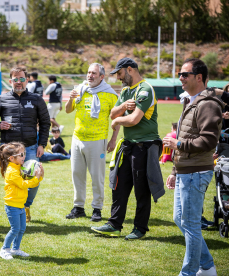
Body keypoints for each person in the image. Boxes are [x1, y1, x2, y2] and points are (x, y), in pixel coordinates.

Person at [91, 58, 164, 240]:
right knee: (119, 185)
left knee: (142, 189)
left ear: (130, 69)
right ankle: (114, 224)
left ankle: (139, 228)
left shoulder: (145, 89)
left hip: (144, 146)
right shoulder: (126, 91)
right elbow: (112, 113)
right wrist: (123, 107)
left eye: (120, 73)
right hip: (128, 145)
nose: (119, 78)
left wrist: (117, 121)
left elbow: (133, 120)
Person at [163, 58, 222, 276]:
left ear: (199, 77)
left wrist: (177, 144)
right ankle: (207, 267)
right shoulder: (192, 101)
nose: (180, 78)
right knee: (181, 220)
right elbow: (186, 135)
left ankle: (188, 273)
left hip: (196, 173)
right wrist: (174, 170)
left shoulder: (208, 104)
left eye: (184, 74)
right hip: (185, 171)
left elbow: (207, 141)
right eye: (180, 74)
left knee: (191, 224)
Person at [0, 67, 50, 223]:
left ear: (27, 80)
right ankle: (16, 211)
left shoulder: (36, 99)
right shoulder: (1, 99)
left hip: (30, 147)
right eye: (15, 79)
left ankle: (26, 205)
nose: (18, 82)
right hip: (9, 151)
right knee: (13, 181)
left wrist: (42, 144)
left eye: (22, 79)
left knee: (37, 176)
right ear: (10, 81)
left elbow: (45, 123)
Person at [65, 63, 119, 222]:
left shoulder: (110, 95)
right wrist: (70, 98)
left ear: (102, 77)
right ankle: (78, 207)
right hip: (77, 139)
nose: (90, 76)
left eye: (94, 73)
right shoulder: (80, 89)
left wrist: (113, 139)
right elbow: (68, 110)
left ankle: (97, 208)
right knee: (77, 174)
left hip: (97, 140)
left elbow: (116, 119)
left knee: (97, 176)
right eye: (88, 72)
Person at [0, 142, 44, 260]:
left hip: (20, 204)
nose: (24, 157)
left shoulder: (20, 168)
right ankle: (4, 249)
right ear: (12, 158)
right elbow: (23, 184)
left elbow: (29, 179)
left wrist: (40, 176)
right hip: (12, 205)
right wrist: (36, 179)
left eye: (24, 154)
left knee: (22, 228)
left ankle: (15, 249)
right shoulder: (12, 171)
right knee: (15, 229)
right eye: (21, 154)